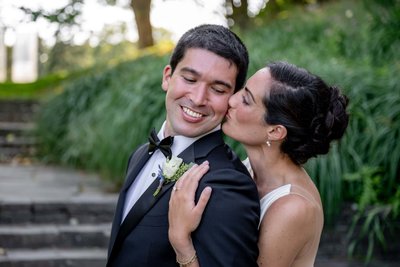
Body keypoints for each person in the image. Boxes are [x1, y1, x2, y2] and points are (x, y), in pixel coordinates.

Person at [106, 24, 260, 267]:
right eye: (189, 79)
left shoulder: (227, 185)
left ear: (232, 98)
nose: (198, 99)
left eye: (218, 89)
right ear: (167, 76)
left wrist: (182, 244)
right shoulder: (139, 155)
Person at [168, 61, 350, 267]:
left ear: (275, 131)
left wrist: (181, 242)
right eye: (242, 89)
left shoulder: (293, 209)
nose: (232, 99)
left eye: (246, 100)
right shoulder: (245, 169)